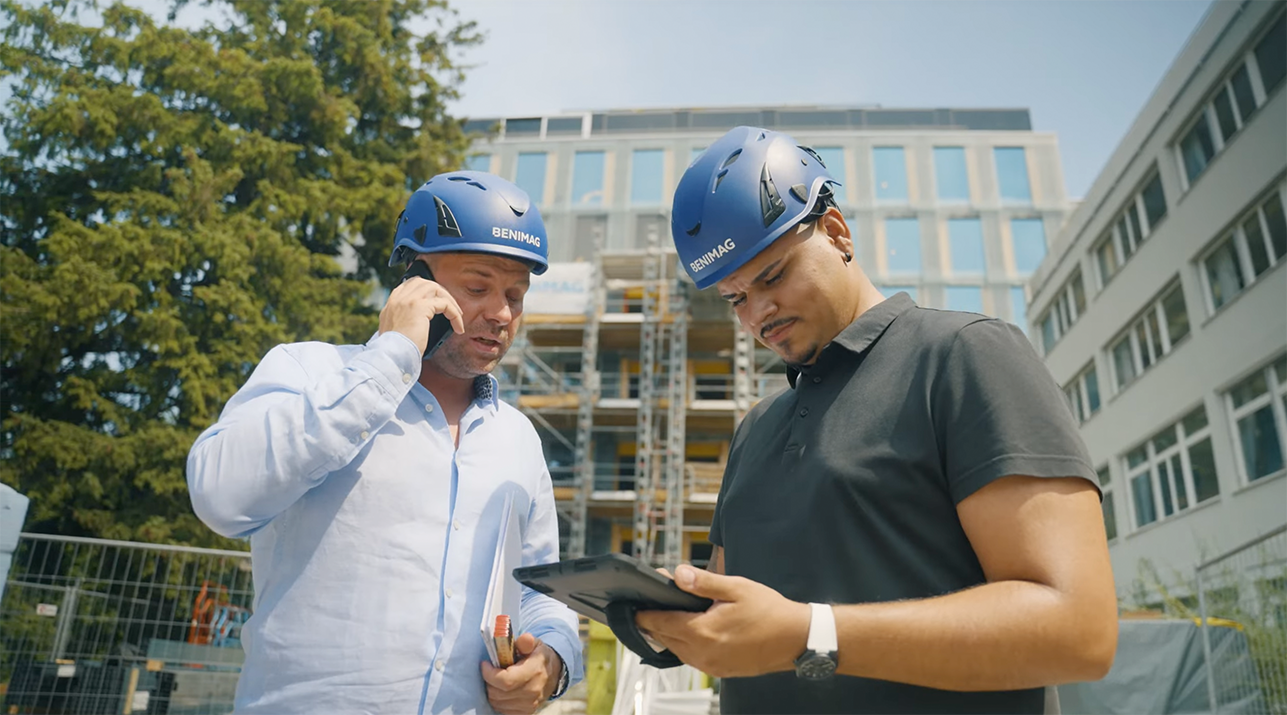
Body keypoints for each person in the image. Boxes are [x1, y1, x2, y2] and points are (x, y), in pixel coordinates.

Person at [635, 126, 1117, 715]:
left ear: (836, 232)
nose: (758, 313)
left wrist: (812, 635)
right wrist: (668, 612)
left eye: (772, 276)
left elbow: (1078, 629)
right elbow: (736, 619)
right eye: (735, 298)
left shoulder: (964, 355)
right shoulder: (756, 426)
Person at [187, 171, 583, 715]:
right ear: (416, 279)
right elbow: (219, 497)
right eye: (477, 287)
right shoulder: (309, 371)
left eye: (516, 295)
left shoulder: (518, 439)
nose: (501, 313)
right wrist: (391, 355)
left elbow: (540, 588)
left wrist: (553, 660)